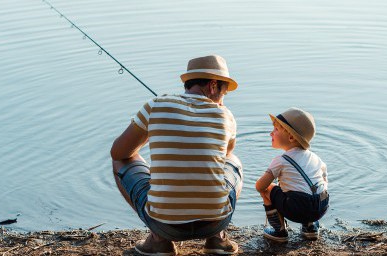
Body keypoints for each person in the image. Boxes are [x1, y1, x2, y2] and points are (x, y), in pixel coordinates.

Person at [110, 55, 243, 255]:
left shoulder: (155, 105)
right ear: (213, 86)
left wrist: (152, 133)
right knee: (234, 162)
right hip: (215, 222)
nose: (223, 100)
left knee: (120, 161)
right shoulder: (226, 116)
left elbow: (118, 152)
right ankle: (217, 239)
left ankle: (159, 240)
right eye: (224, 93)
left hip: (165, 224)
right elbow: (226, 155)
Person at [255, 107, 329, 242]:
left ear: (290, 137)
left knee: (269, 189)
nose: (271, 133)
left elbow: (260, 186)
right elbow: (324, 179)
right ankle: (310, 227)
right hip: (322, 205)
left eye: (276, 130)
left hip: (298, 208)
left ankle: (279, 231)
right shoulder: (315, 158)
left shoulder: (280, 161)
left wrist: (273, 187)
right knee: (310, 189)